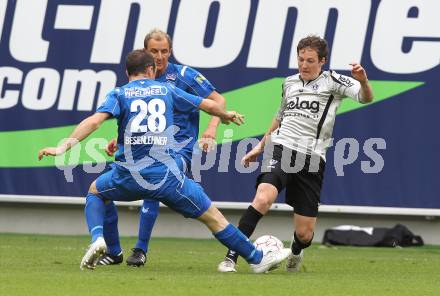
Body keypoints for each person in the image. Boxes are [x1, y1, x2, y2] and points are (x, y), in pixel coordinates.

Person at [38, 49, 290, 273]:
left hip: (126, 177)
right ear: (151, 69)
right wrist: (226, 114)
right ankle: (257, 258)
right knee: (214, 218)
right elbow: (207, 104)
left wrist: (63, 146)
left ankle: (99, 240)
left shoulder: (119, 93)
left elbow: (93, 121)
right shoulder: (167, 89)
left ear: (127, 72)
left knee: (96, 192)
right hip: (167, 179)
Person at [217, 35, 374, 273]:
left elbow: (366, 98)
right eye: (301, 59)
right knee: (263, 198)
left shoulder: (333, 81)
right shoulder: (289, 82)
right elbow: (280, 117)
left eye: (310, 60)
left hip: (311, 158)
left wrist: (363, 81)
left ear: (322, 61)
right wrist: (261, 146)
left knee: (305, 232)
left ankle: (297, 250)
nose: (304, 65)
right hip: (281, 148)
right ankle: (231, 257)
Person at [99, 29, 226, 267]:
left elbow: (219, 101)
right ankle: (114, 251)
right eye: (153, 51)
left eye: (164, 51)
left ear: (170, 51)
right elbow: (133, 119)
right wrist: (119, 140)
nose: (159, 56)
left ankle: (140, 250)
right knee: (102, 192)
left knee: (153, 184)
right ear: (145, 52)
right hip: (145, 146)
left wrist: (212, 128)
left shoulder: (184, 75)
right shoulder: (139, 81)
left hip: (180, 147)